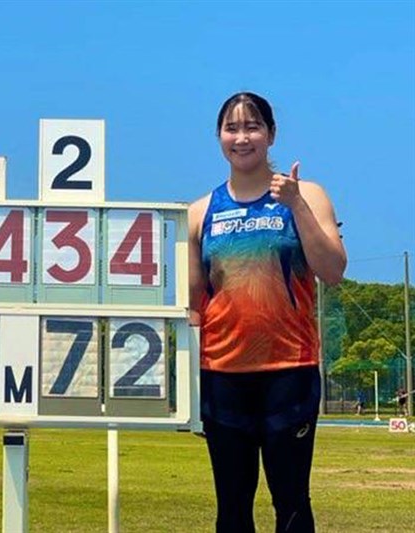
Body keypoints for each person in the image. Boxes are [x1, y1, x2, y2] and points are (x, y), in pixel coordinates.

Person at [188, 92, 347, 533]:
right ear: (219, 137)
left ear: (271, 134)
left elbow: (332, 271)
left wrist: (295, 204)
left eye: (252, 126)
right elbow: (193, 306)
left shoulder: (307, 195)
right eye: (232, 128)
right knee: (232, 506)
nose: (242, 137)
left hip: (288, 374)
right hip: (222, 377)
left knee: (291, 500)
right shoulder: (200, 212)